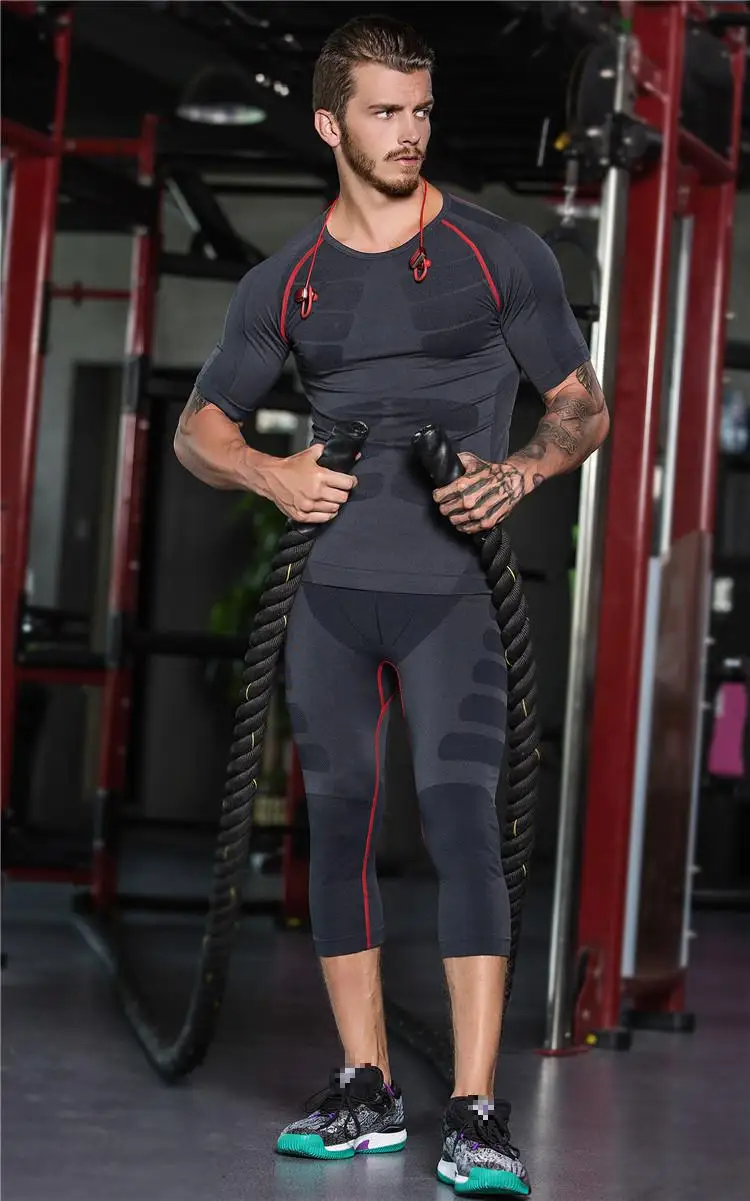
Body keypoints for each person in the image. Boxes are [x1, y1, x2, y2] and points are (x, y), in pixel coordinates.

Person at [174, 14, 609, 1197]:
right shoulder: (286, 282)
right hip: (331, 595)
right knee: (339, 828)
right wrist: (267, 472)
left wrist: (522, 470)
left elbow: (582, 406)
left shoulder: (497, 255)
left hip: (451, 593)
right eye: (383, 112)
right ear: (331, 125)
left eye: (420, 111)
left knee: (462, 822)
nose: (409, 132)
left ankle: (475, 1109)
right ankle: (364, 1086)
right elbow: (198, 429)